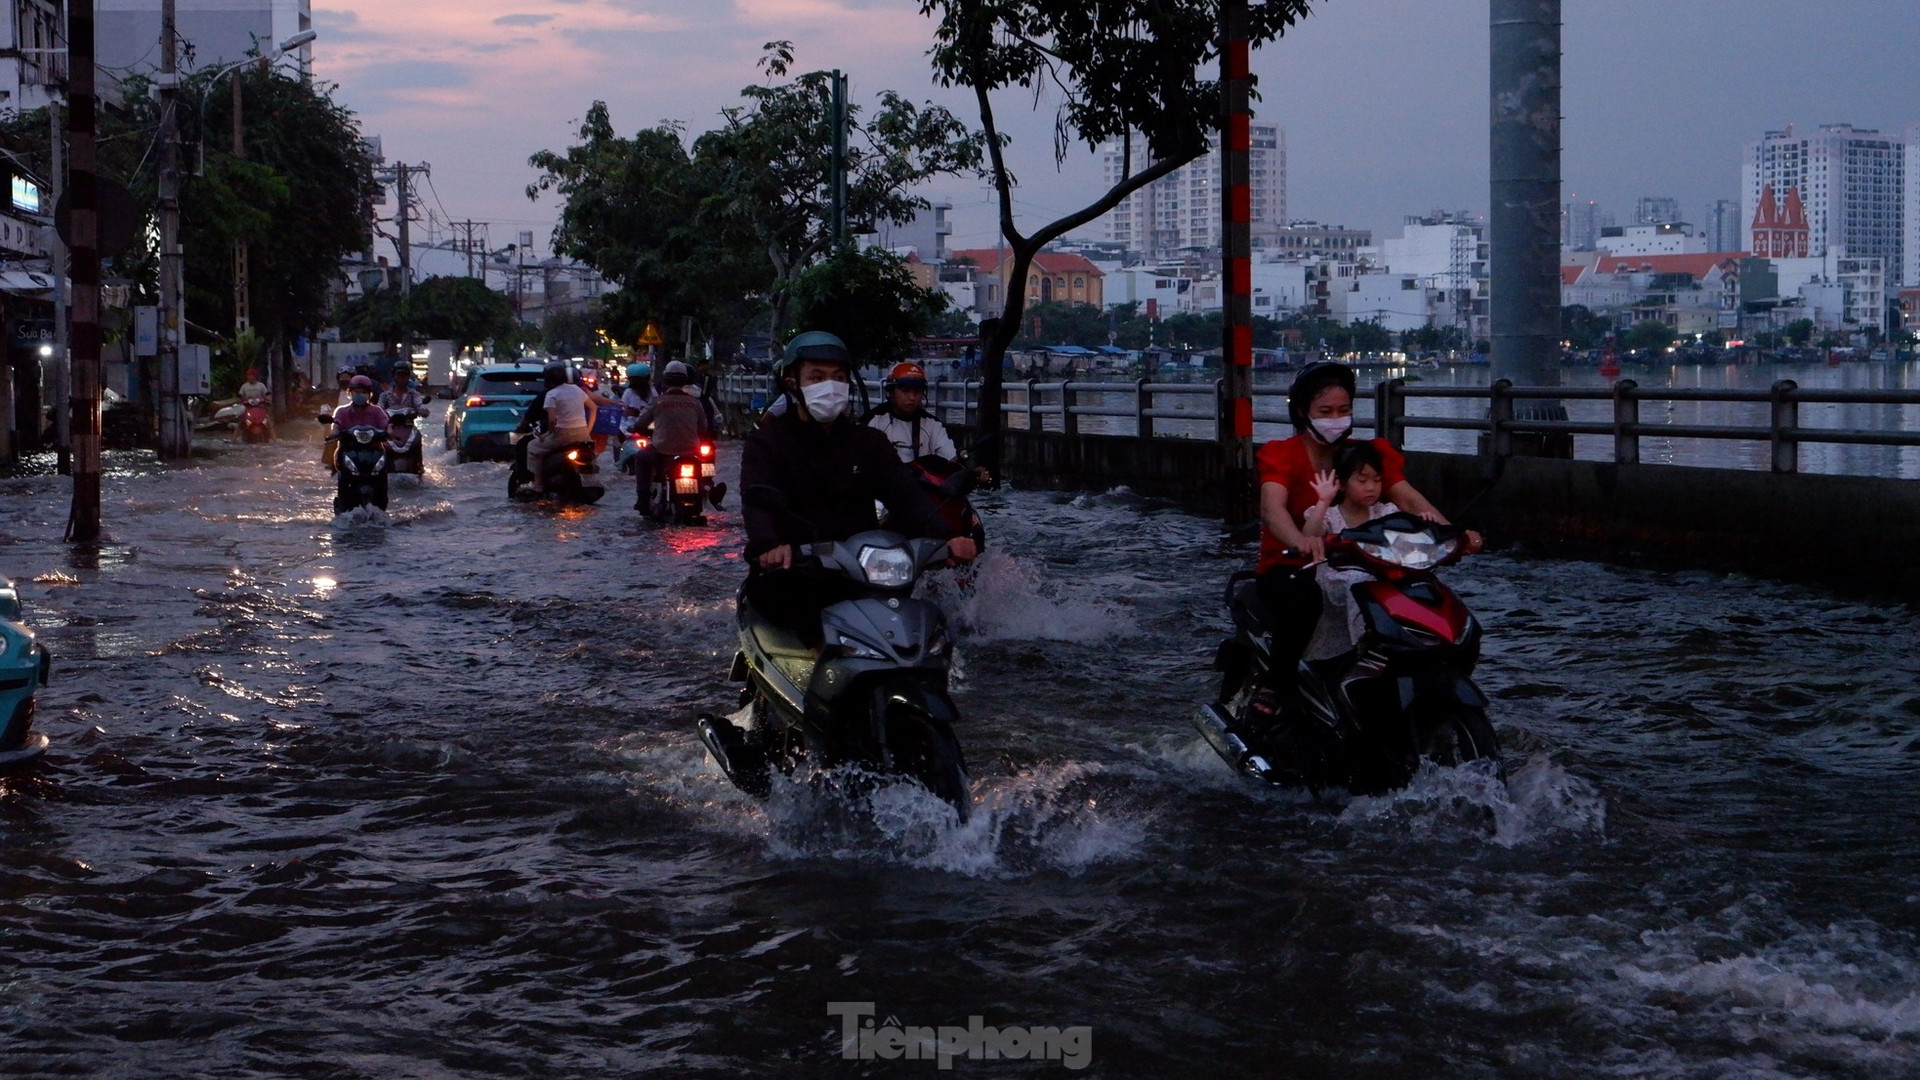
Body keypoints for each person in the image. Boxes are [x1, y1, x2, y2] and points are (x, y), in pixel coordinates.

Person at [741, 331, 978, 647]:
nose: (830, 386)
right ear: (792, 383)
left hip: (863, 575)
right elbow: (758, 498)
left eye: (838, 377)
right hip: (792, 574)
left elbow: (906, 496)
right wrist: (769, 545)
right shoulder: (766, 443)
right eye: (817, 376)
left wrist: (948, 539)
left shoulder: (868, 443)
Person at [1248, 362, 1454, 722]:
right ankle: (1276, 684)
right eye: (1325, 411)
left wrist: (1451, 533)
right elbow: (1272, 508)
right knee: (1303, 602)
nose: (1336, 419)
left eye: (1344, 410)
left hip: (1367, 562)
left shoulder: (1366, 455)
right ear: (1302, 412)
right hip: (1293, 565)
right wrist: (1300, 541)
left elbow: (1407, 498)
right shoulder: (1281, 454)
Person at [628, 360, 714, 511]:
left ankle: (642, 498)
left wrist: (634, 428)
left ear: (665, 380)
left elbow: (640, 424)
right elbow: (703, 428)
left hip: (662, 451)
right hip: (690, 451)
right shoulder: (695, 403)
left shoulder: (658, 402)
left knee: (641, 457)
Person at [517, 362, 595, 493]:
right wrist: (588, 430)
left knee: (532, 447)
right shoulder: (576, 389)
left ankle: (538, 484)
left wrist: (547, 434)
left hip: (562, 436)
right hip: (583, 435)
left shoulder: (551, 394)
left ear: (547, 379)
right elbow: (593, 408)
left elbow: (552, 419)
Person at [865, 361, 959, 464]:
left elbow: (951, 457)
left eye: (917, 392)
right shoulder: (875, 421)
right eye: (905, 391)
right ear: (891, 392)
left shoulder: (932, 424)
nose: (912, 398)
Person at [327, 375, 390, 467]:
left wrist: (390, 431)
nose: (360, 394)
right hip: (348, 450)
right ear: (350, 393)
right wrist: (334, 433)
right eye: (356, 392)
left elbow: (385, 424)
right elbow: (336, 425)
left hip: (374, 450)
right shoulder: (341, 411)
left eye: (363, 392)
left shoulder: (377, 411)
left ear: (369, 394)